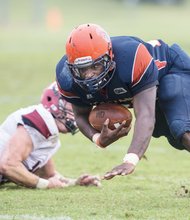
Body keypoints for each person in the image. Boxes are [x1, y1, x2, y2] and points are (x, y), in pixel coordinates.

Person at [56, 23, 190, 180]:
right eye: (82, 69)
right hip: (150, 89)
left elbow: (145, 115)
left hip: (172, 70)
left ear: (109, 57)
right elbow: (80, 115)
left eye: (96, 65)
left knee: (182, 128)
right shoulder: (66, 78)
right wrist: (98, 139)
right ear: (72, 68)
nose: (89, 75)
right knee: (174, 138)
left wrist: (130, 160)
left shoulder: (131, 58)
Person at [0, 82, 101, 189]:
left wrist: (74, 182)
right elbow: (8, 165)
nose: (78, 110)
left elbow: (48, 175)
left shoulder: (49, 132)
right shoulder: (40, 119)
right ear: (53, 99)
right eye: (73, 103)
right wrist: (44, 185)